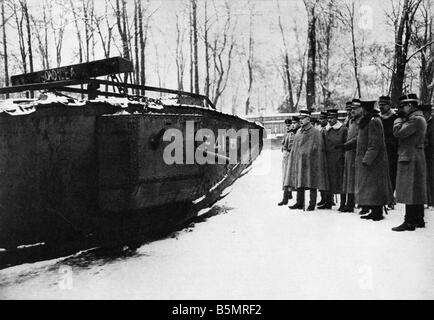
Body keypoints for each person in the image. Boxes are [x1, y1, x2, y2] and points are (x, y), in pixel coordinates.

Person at [392, 94, 427, 231]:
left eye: (403, 106)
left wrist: (398, 119)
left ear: (410, 105)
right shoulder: (419, 118)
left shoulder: (415, 119)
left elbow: (398, 132)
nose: (401, 109)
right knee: (416, 189)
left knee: (410, 190)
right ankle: (419, 219)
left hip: (410, 156)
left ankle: (409, 221)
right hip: (415, 156)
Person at [355, 100, 394, 221]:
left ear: (365, 109)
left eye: (361, 108)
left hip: (375, 161)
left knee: (375, 186)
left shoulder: (374, 121)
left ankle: (377, 212)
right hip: (368, 159)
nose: (359, 111)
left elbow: (375, 143)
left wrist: (367, 159)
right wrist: (345, 145)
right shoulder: (366, 121)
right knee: (370, 186)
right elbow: (361, 139)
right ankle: (373, 210)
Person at [287, 110, 328, 211]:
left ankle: (312, 203)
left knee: (311, 181)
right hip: (300, 161)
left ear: (308, 119)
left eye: (303, 118)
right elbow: (295, 147)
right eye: (300, 118)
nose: (300, 120)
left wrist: (309, 153)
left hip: (311, 161)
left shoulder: (315, 132)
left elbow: (318, 148)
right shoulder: (298, 131)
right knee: (299, 180)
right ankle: (299, 202)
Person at [319, 109, 348, 210]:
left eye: (332, 118)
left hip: (340, 158)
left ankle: (343, 203)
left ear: (336, 118)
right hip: (328, 158)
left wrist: (343, 154)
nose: (330, 120)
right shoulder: (325, 130)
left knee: (341, 181)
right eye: (328, 118)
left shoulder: (343, 129)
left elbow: (346, 143)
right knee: (328, 180)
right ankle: (328, 202)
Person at [378, 95, 398, 210]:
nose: (381, 108)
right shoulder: (379, 118)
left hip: (392, 150)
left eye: (383, 105)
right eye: (380, 105)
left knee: (391, 174)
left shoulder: (394, 117)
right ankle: (382, 197)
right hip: (381, 150)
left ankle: (390, 198)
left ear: (389, 105)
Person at [339, 102, 359, 212]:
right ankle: (346, 202)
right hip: (347, 152)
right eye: (348, 110)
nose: (349, 112)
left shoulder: (358, 122)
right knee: (347, 178)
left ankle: (351, 203)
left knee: (352, 179)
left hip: (354, 152)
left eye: (351, 109)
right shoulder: (348, 121)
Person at [278, 118, 299, 205]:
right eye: (291, 124)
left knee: (296, 178)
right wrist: (284, 148)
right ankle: (286, 197)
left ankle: (297, 200)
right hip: (287, 157)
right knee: (286, 177)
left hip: (295, 157)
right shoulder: (288, 133)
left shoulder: (298, 132)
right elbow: (285, 144)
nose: (291, 126)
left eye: (294, 123)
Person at [420, 104, 434, 207]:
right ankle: (428, 199)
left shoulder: (432, 124)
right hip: (425, 154)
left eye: (424, 113)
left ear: (428, 113)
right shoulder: (423, 123)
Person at [317, 111, 329, 207]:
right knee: (320, 179)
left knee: (327, 179)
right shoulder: (319, 129)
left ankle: (329, 199)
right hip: (319, 157)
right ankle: (323, 198)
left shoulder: (328, 129)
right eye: (320, 119)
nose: (321, 120)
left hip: (327, 156)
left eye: (323, 119)